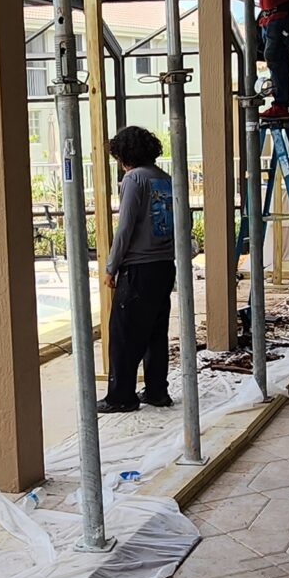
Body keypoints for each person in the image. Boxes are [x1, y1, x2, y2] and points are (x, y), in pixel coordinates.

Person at [100, 125, 175, 413]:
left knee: (123, 333)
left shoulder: (134, 179)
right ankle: (157, 390)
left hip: (138, 268)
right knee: (156, 332)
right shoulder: (164, 178)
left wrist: (111, 266)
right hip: (164, 266)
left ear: (124, 155)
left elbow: (125, 228)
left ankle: (121, 396)